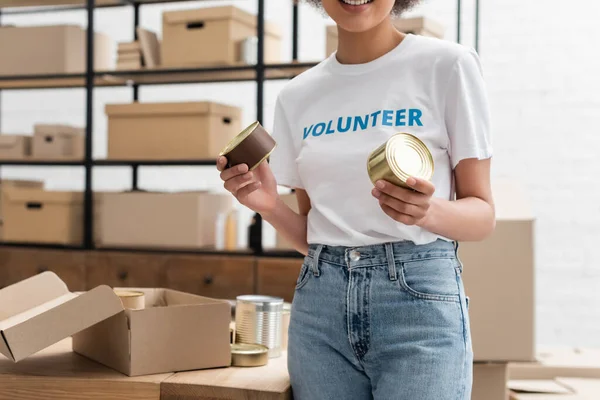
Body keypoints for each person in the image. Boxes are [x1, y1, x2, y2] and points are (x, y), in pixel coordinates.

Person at [217, 0, 495, 398]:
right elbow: (314, 238)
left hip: (418, 305)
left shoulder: (448, 66)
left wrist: (427, 211)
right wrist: (270, 207)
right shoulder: (298, 95)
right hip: (319, 311)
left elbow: (483, 215)